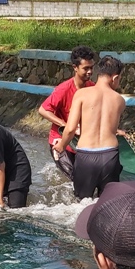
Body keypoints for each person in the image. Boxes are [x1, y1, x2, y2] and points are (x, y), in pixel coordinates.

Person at [54, 55, 125, 200]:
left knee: (80, 203)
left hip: (87, 156)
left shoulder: (81, 94)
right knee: (107, 203)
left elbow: (70, 128)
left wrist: (61, 146)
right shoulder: (119, 100)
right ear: (115, 77)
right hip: (110, 156)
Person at [37, 45, 95, 180]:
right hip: (60, 142)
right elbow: (43, 110)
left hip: (81, 142)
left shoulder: (93, 88)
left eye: (91, 67)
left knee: (87, 180)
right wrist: (66, 125)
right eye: (86, 68)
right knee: (74, 179)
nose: (90, 72)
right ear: (75, 67)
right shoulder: (63, 89)